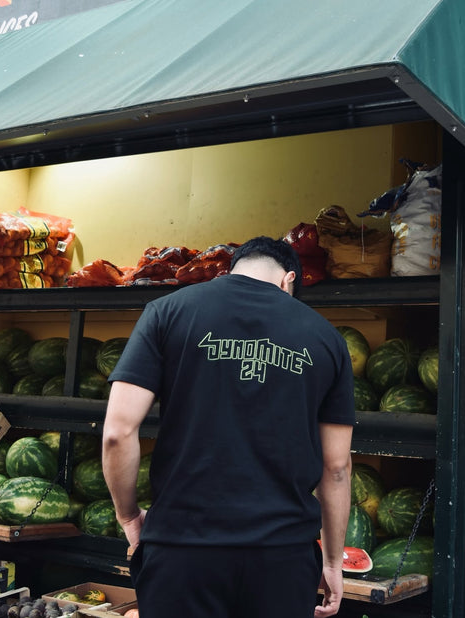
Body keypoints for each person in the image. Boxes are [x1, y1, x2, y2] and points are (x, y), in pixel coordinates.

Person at [102, 235, 355, 618]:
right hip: (282, 558)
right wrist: (333, 563)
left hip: (182, 551)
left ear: (231, 268)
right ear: (289, 280)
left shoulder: (166, 312)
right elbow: (336, 468)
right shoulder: (328, 340)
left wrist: (128, 516)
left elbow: (117, 432)